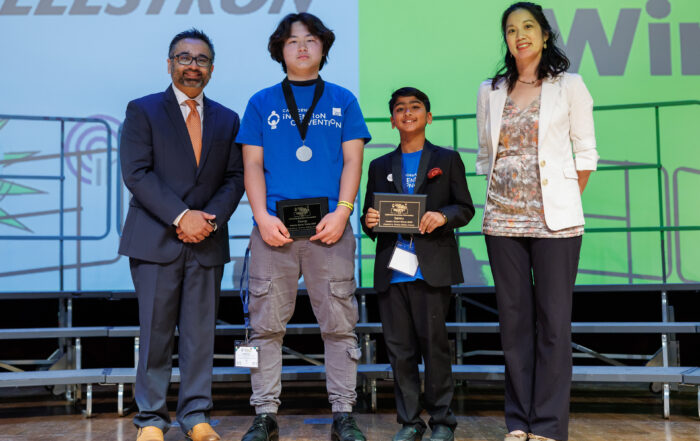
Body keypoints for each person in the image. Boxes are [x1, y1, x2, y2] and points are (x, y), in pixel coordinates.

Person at [236, 12, 371, 441]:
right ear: (280, 49)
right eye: (292, 40)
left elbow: (353, 160)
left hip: (329, 230)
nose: (301, 47)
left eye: (311, 39)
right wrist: (261, 216)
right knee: (264, 328)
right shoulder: (261, 102)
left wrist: (343, 211)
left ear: (323, 47)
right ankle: (264, 414)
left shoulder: (343, 100)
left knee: (339, 326)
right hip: (273, 232)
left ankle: (343, 412)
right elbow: (251, 165)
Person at [475, 3, 599, 441]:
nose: (520, 35)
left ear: (545, 35)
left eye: (528, 27)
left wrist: (563, 200)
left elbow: (586, 153)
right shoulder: (490, 90)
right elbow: (485, 156)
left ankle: (546, 425)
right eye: (511, 29)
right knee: (513, 325)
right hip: (501, 221)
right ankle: (518, 422)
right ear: (506, 40)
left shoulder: (570, 85)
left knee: (553, 324)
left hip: (556, 223)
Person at [119, 29, 244, 441]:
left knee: (200, 335)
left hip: (207, 240)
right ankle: (151, 419)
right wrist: (181, 216)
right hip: (155, 240)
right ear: (169, 63)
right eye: (184, 58)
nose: (193, 66)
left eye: (201, 59)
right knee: (155, 333)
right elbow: (136, 172)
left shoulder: (228, 118)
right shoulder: (143, 110)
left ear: (212, 68)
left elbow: (234, 178)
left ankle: (196, 416)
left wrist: (207, 221)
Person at [361, 87, 475, 441]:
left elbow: (465, 208)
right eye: (400, 109)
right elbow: (368, 218)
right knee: (399, 351)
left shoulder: (447, 159)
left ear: (428, 116)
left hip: (432, 269)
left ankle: (442, 421)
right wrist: (369, 220)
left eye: (415, 107)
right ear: (392, 120)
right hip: (393, 270)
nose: (407, 113)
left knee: (434, 349)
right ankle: (409, 422)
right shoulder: (379, 166)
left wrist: (443, 216)